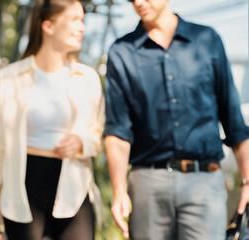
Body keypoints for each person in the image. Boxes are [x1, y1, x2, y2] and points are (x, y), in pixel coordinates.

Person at [103, 0, 249, 239]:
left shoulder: (207, 40)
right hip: (147, 184)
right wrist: (119, 192)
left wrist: (247, 181)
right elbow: (117, 130)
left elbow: (233, 118)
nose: (138, 2)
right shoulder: (122, 52)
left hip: (204, 184)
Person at [0, 0, 105, 239]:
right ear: (48, 26)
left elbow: (98, 135)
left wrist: (81, 142)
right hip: (21, 189)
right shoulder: (8, 79)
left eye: (83, 21)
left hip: (73, 188)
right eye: (75, 20)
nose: (82, 28)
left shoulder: (88, 79)